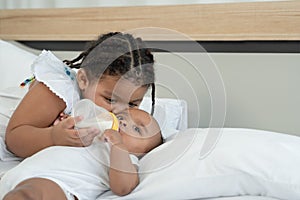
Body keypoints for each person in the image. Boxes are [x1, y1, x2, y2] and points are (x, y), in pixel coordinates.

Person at [5, 32, 156, 158]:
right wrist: (53, 137)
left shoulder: (112, 121)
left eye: (132, 104)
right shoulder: (58, 92)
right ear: (84, 80)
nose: (120, 112)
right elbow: (13, 138)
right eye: (110, 99)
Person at [0, 107, 163, 199]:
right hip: (19, 173)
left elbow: (123, 187)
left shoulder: (127, 158)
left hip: (58, 185)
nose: (124, 123)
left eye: (137, 129)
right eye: (121, 117)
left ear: (144, 152)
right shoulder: (92, 133)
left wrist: (118, 146)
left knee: (30, 193)